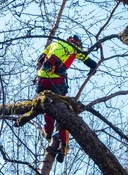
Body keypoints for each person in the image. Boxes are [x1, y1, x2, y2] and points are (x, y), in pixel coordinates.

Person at [35, 34, 97, 162]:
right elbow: (89, 61)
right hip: (57, 81)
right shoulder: (75, 49)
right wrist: (93, 67)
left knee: (47, 106)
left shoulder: (55, 44)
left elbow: (40, 60)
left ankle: (48, 129)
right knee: (63, 110)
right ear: (78, 43)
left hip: (41, 80)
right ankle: (64, 147)